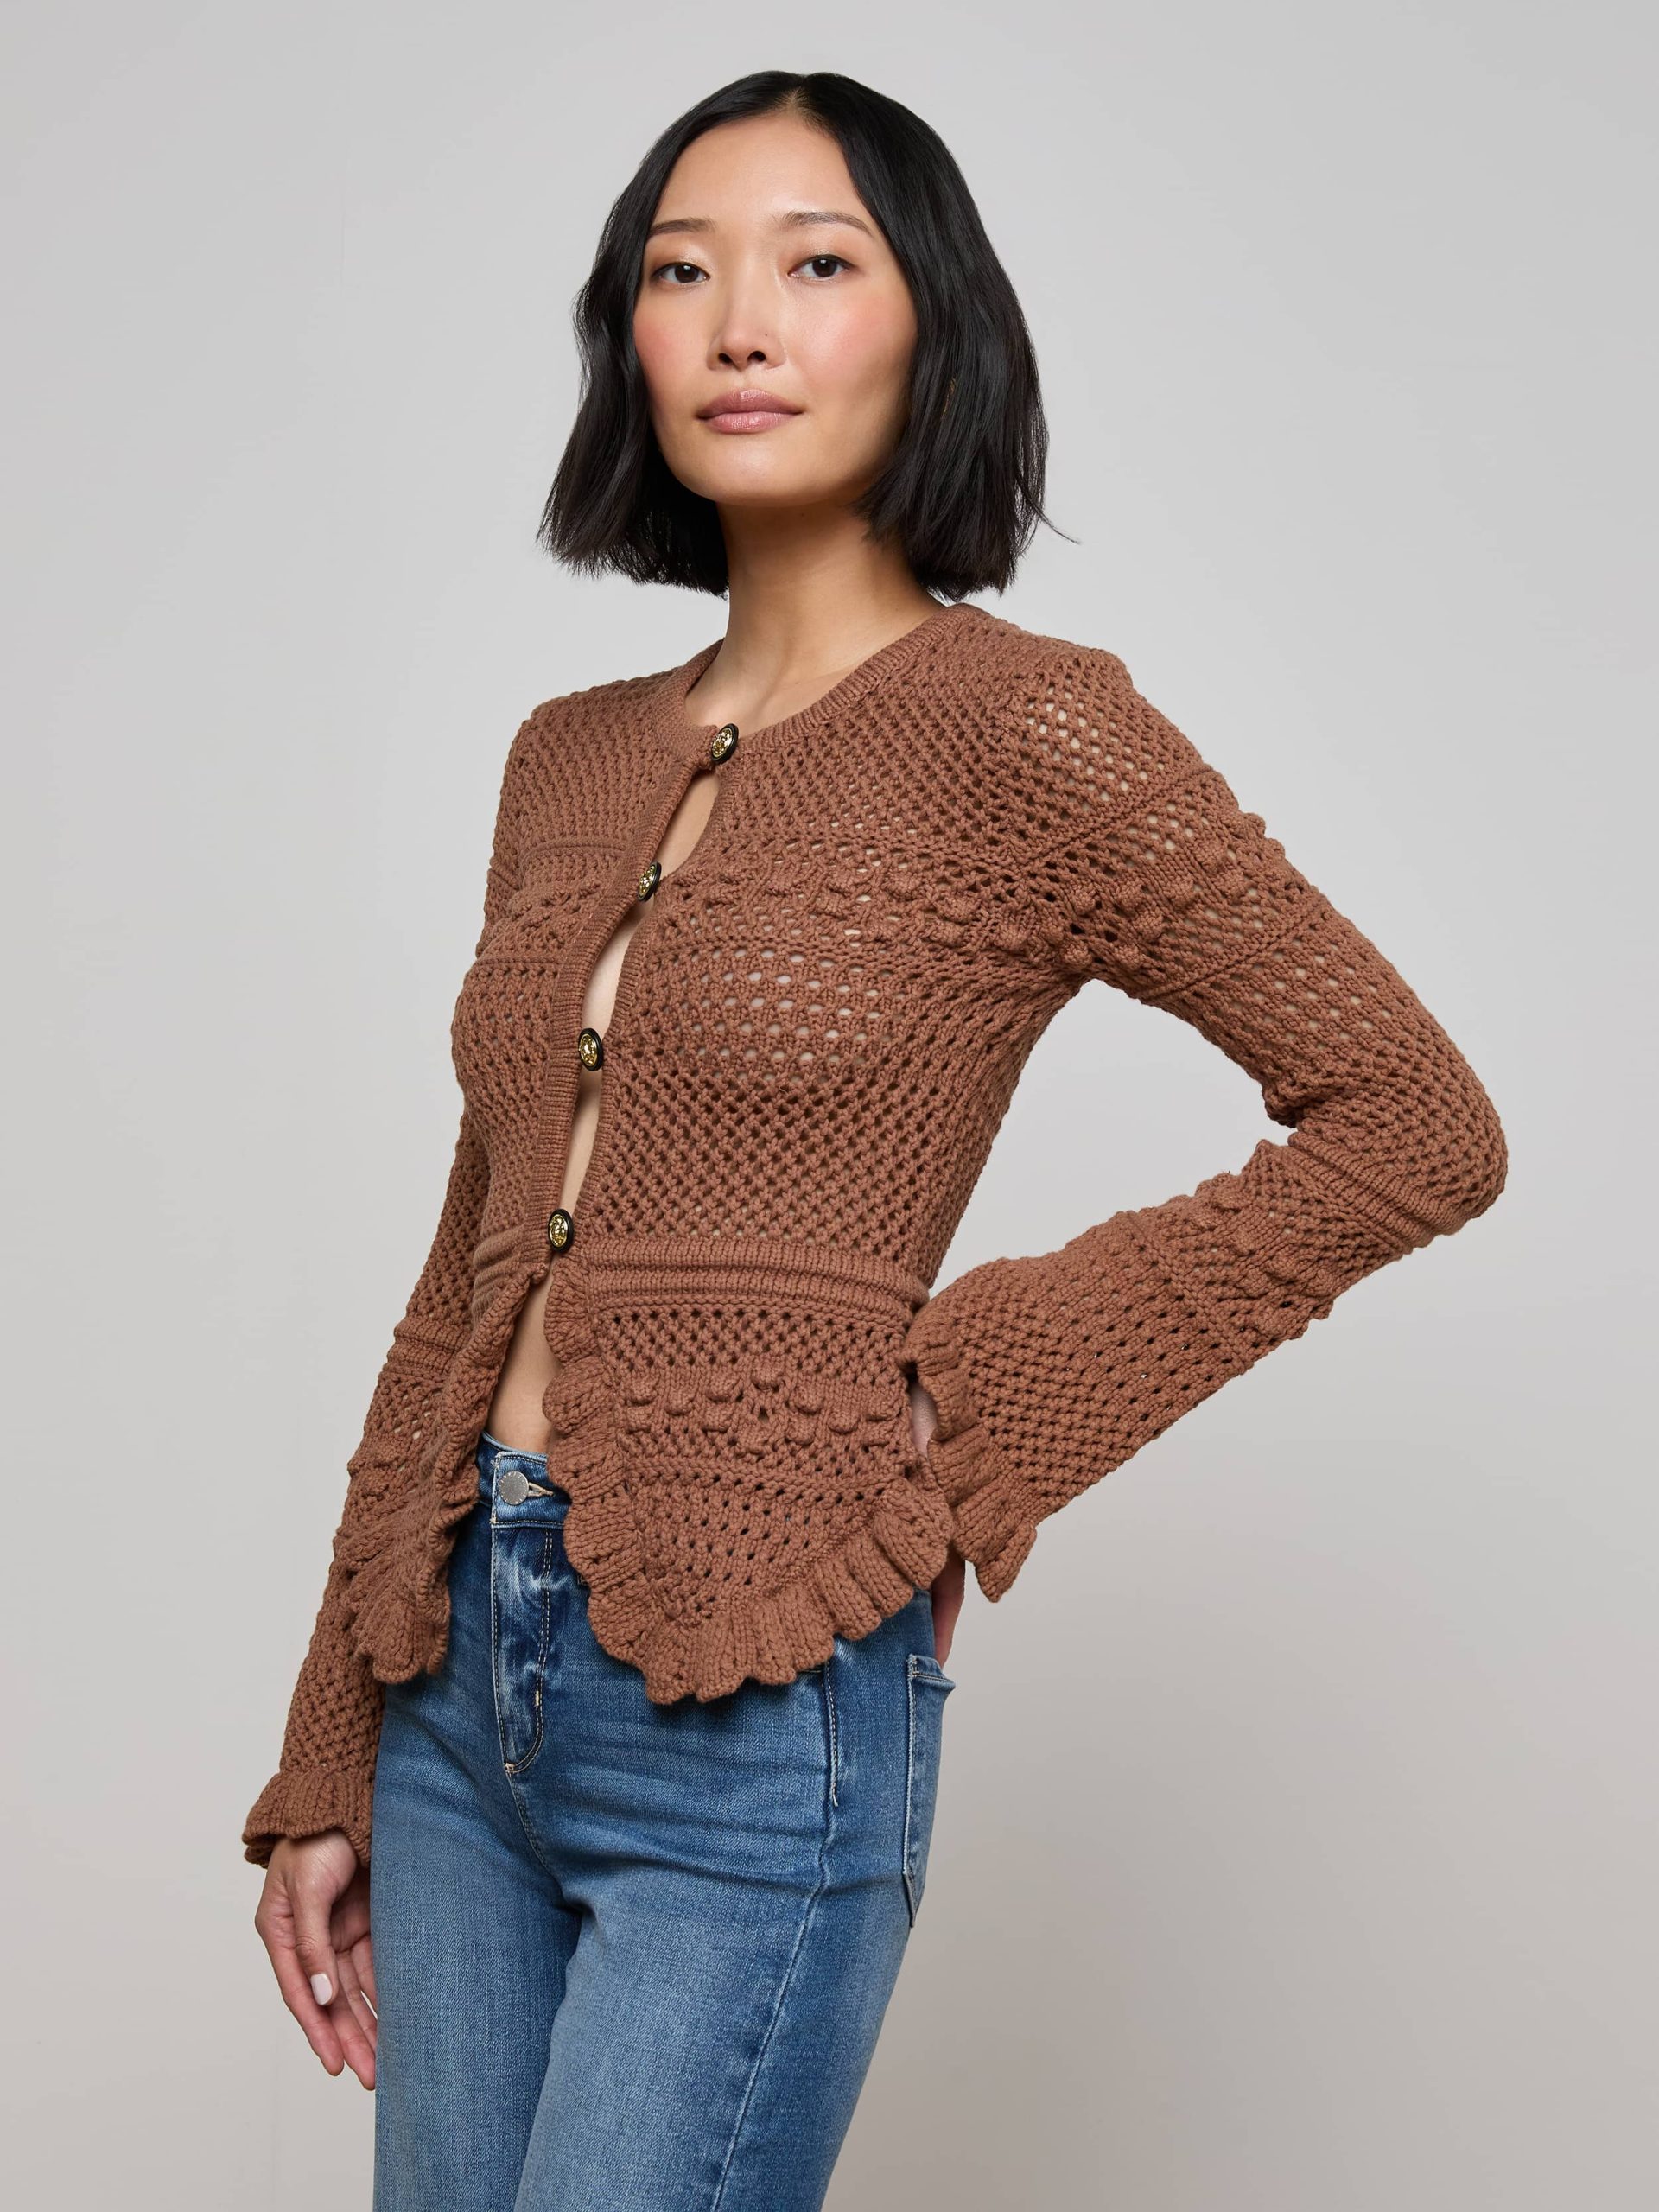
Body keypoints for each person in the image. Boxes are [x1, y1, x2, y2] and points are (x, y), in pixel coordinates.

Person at [243, 68, 1508, 2212]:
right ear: (629, 337)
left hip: (750, 1690)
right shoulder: (565, 758)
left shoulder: (1029, 727)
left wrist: (968, 1396)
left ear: (934, 323)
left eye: (815, 262)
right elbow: (469, 1262)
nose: (739, 322)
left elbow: (1417, 1121)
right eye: (681, 271)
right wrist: (330, 1738)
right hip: (448, 1688)